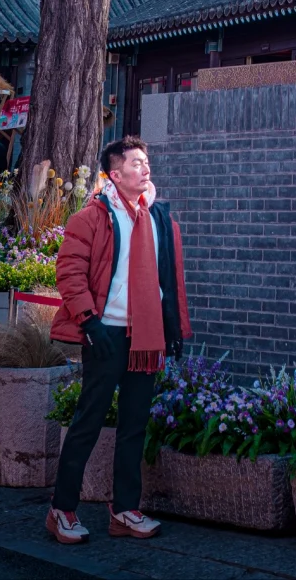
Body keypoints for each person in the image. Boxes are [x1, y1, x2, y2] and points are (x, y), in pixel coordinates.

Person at [46, 135, 191, 546]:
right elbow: (69, 271)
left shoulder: (160, 217)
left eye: (146, 162)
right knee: (88, 422)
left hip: (146, 337)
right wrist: (89, 323)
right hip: (105, 333)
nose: (145, 168)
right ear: (115, 173)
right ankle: (62, 509)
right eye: (136, 163)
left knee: (134, 425)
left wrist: (173, 329)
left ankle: (124, 510)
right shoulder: (93, 216)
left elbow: (170, 280)